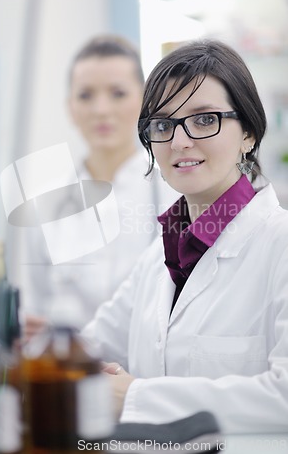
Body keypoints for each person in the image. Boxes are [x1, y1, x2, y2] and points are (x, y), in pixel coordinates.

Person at [81, 39, 288, 433]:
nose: (179, 141)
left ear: (248, 132)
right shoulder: (160, 259)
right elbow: (89, 348)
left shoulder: (281, 246)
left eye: (205, 119)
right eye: (162, 124)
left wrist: (134, 397)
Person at [20, 35, 177, 332]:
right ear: (70, 107)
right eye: (86, 95)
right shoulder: (45, 205)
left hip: (146, 373)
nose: (101, 109)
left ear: (144, 101)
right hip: (68, 370)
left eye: (118, 93)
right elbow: (34, 310)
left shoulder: (176, 194)